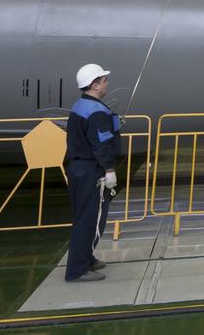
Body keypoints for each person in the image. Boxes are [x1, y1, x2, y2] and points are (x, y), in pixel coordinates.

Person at [65, 63, 121, 283]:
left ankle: (86, 258)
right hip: (92, 170)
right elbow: (101, 144)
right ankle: (77, 269)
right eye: (104, 79)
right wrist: (109, 170)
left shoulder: (81, 105)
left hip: (79, 168)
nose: (107, 82)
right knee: (91, 220)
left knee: (84, 217)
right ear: (95, 84)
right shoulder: (96, 111)